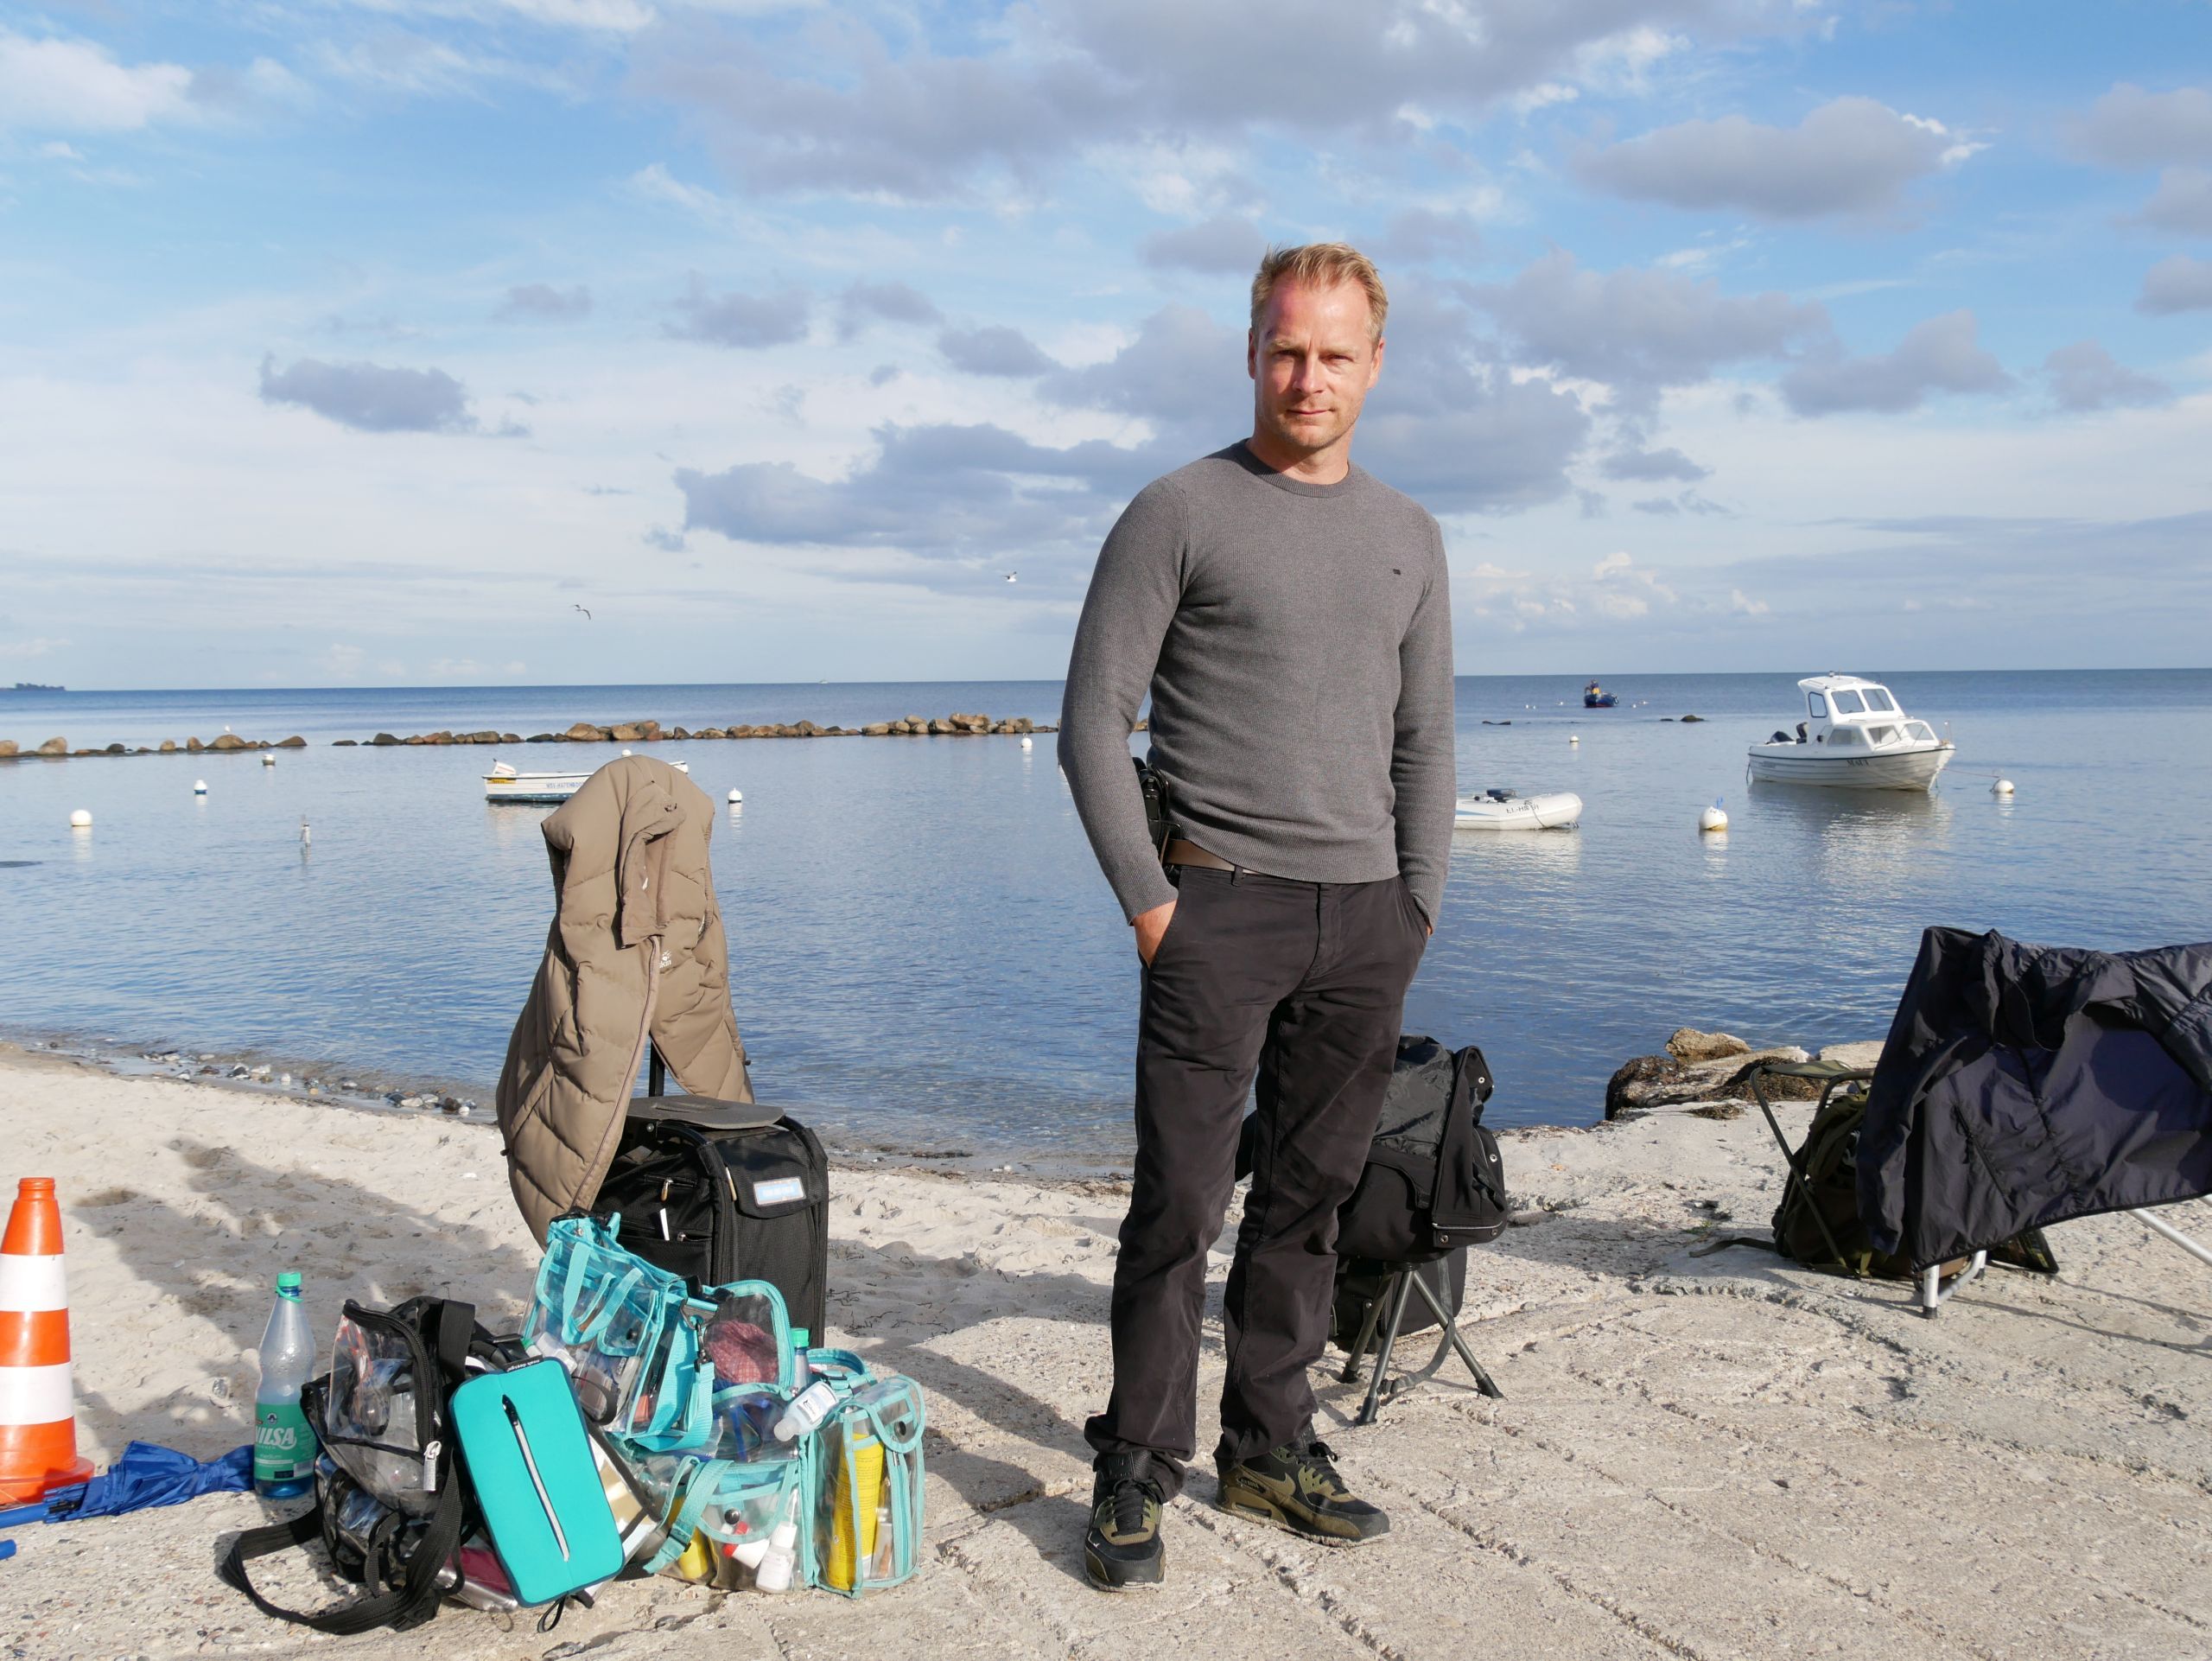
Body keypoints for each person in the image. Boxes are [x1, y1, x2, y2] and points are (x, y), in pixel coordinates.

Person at [1058, 242, 1455, 1589]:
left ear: (1375, 365)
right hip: (1216, 906)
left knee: (1310, 1199)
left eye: (1336, 353)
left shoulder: (1409, 533)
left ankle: (1271, 1444)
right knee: (1177, 1201)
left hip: (1365, 919)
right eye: (1288, 349)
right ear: (1250, 350)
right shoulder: (1179, 508)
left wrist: (1418, 904)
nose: (1310, 376)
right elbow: (1089, 726)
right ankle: (1135, 1461)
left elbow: (1427, 738)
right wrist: (1157, 905)